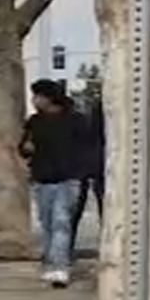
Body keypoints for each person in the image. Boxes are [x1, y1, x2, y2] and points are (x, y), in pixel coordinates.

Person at [21, 80, 89, 288]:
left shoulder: (76, 120)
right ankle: (51, 262)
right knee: (47, 224)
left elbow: (87, 147)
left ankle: (60, 267)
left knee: (61, 222)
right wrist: (26, 147)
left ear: (49, 98)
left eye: (37, 96)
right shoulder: (34, 122)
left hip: (69, 179)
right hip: (42, 180)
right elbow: (23, 147)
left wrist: (82, 172)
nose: (34, 100)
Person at [68, 100, 105, 256]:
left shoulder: (81, 123)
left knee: (75, 212)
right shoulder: (101, 130)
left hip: (83, 168)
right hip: (98, 168)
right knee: (103, 210)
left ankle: (66, 247)